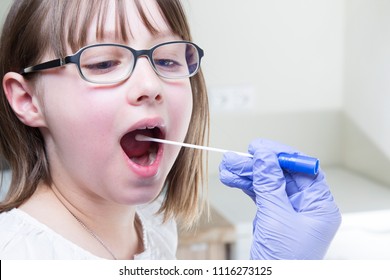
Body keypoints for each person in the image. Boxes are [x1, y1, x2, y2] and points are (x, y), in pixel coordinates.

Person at [0, 0, 340, 260]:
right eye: (103, 63)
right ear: (28, 99)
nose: (151, 84)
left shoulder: (156, 226)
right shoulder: (15, 255)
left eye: (167, 60)